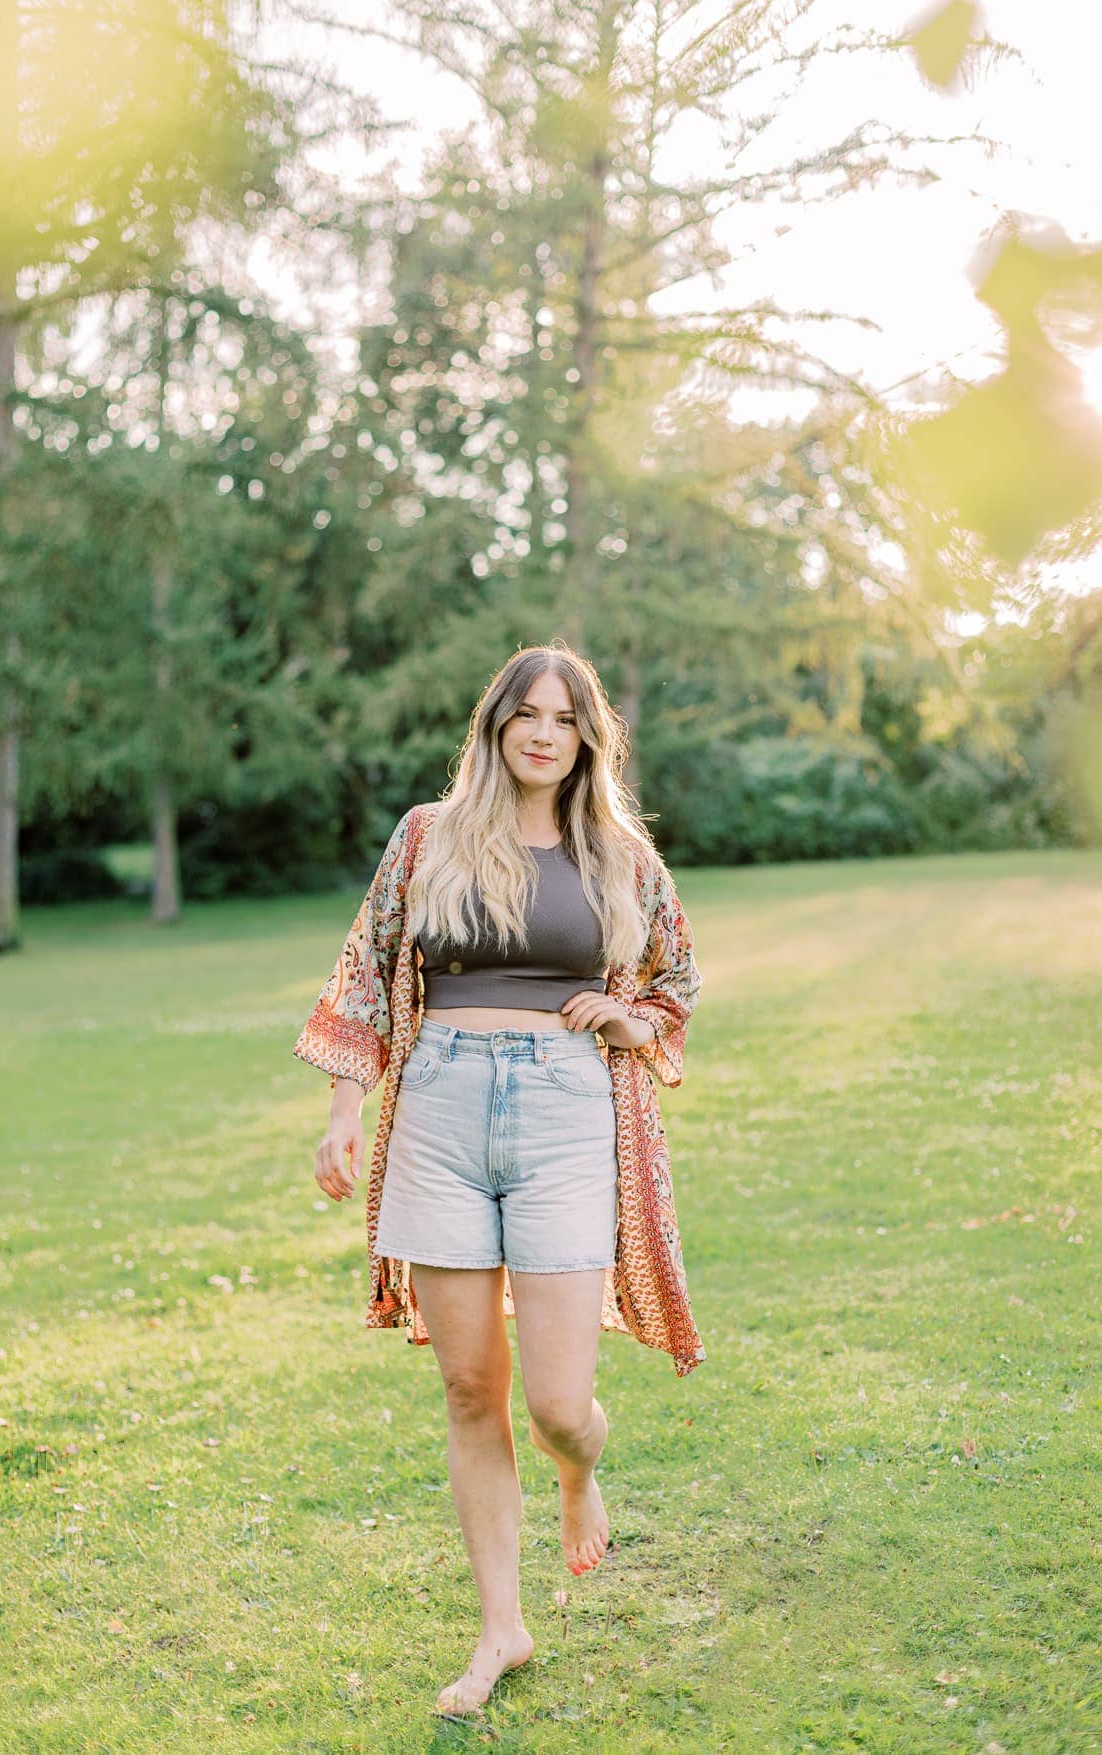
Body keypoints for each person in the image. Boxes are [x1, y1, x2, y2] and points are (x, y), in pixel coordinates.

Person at [294, 642, 703, 1721]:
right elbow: (369, 966)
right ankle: (500, 1629)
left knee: (560, 1402)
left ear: (587, 738)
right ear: (493, 726)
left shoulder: (618, 853)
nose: (541, 732)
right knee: (471, 1390)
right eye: (524, 713)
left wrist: (628, 1017)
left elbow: (677, 979)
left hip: (567, 1113)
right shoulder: (429, 837)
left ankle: (578, 1470)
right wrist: (346, 1110)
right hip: (439, 1110)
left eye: (564, 718)